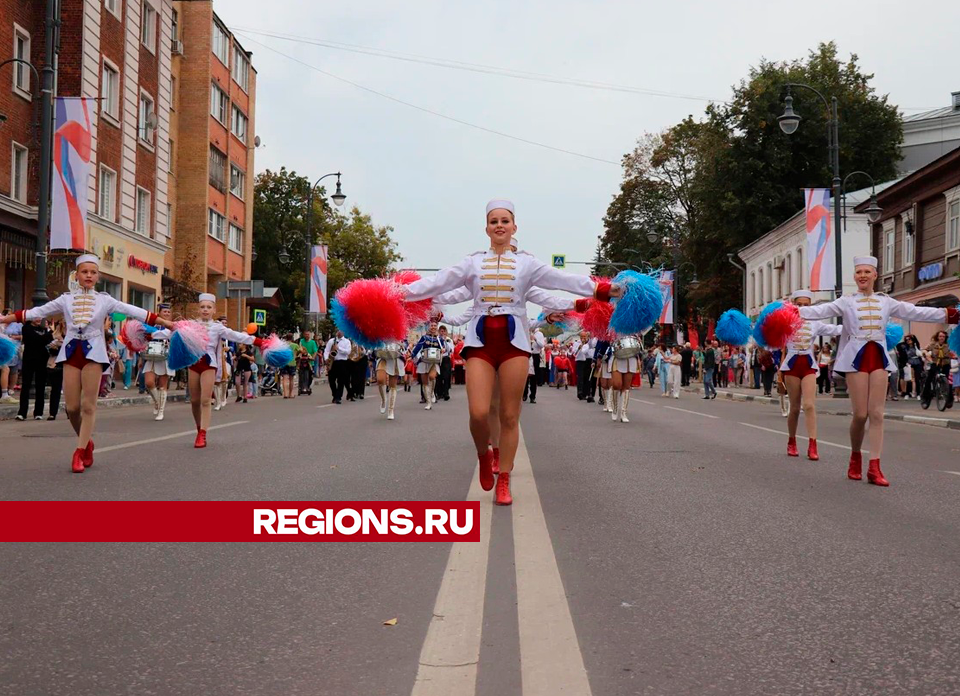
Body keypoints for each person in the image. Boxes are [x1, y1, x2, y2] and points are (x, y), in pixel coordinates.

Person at [399, 199, 617, 505]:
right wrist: (397, 294)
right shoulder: (472, 262)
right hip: (480, 341)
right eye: (493, 221)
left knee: (510, 415)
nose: (499, 225)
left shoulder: (527, 264)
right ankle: (483, 453)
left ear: (514, 227)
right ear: (486, 228)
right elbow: (437, 282)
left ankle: (504, 478)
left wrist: (600, 290)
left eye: (505, 221)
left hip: (514, 344)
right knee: (478, 413)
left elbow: (560, 280)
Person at [1, 255, 172, 472]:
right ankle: (87, 441)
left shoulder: (105, 300)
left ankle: (79, 450)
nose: (89, 275)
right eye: (84, 272)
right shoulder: (65, 299)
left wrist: (165, 322)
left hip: (94, 354)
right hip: (72, 353)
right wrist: (6, 319)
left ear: (98, 276)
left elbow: (134, 310)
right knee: (72, 408)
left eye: (93, 272)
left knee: (88, 405)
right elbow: (37, 312)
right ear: (77, 275)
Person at [798, 255, 958, 486]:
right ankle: (855, 456)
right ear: (855, 276)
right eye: (859, 272)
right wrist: (792, 311)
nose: (862, 275)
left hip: (879, 357)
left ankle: (874, 465)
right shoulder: (846, 301)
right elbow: (820, 311)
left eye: (867, 272)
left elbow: (916, 312)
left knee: (877, 414)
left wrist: (949, 314)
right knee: (860, 414)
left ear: (875, 275)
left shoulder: (886, 301)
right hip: (856, 358)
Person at [182, 293, 266, 448]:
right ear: (198, 309)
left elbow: (238, 336)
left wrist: (261, 342)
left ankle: (203, 434)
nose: (205, 310)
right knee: (194, 400)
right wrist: (150, 334)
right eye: (202, 307)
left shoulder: (217, 328)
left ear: (214, 310)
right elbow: (172, 332)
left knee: (206, 400)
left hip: (209, 364)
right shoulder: (191, 325)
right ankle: (199, 427)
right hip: (193, 363)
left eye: (208, 307)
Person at [779, 290, 843, 460]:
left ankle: (812, 444)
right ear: (793, 304)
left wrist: (855, 324)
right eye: (799, 304)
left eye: (806, 305)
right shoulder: (785, 323)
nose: (803, 308)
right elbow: (771, 339)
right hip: (792, 367)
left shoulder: (815, 323)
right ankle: (791, 441)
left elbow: (835, 329)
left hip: (808, 366)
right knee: (794, 407)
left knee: (809, 405)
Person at [16, 317, 53, 420]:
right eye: (36, 317)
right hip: (29, 359)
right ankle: (22, 412)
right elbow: (35, 340)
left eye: (39, 318)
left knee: (40, 386)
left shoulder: (44, 329)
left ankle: (38, 412)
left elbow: (48, 341)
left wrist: (47, 335)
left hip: (42, 360)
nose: (38, 320)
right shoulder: (26, 328)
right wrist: (48, 335)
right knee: (26, 385)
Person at [142, 303, 175, 420]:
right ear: (159, 313)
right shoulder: (152, 324)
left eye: (168, 312)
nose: (166, 314)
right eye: (164, 311)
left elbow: (166, 335)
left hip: (165, 356)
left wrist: (153, 333)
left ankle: (161, 411)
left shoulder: (173, 326)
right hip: (151, 355)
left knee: (162, 385)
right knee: (149, 382)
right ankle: (157, 402)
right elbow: (144, 334)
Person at [608, 333, 642, 422]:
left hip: (630, 358)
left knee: (626, 387)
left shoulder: (635, 331)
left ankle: (623, 412)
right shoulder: (613, 328)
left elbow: (639, 345)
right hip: (616, 356)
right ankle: (615, 409)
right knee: (617, 385)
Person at [412, 321, 444, 410]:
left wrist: (443, 350)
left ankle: (432, 392)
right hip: (424, 360)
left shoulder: (439, 339)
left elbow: (444, 349)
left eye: (435, 325)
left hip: (434, 361)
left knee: (432, 377)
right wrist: (411, 355)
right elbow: (418, 347)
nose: (433, 327)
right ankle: (429, 402)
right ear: (429, 327)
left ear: (437, 327)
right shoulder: (424, 338)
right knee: (425, 382)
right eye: (431, 326)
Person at [922, 330, 954, 408]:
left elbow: (953, 352)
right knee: (929, 380)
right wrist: (926, 353)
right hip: (935, 363)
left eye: (943, 336)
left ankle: (949, 400)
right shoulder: (933, 344)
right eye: (940, 336)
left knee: (947, 381)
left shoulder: (949, 345)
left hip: (945, 364)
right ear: (937, 337)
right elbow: (924, 350)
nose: (941, 338)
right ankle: (925, 399)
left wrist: (953, 355)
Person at [324, 331, 352, 404]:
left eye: (341, 330)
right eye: (338, 330)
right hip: (333, 362)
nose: (339, 332)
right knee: (331, 380)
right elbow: (326, 351)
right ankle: (334, 394)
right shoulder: (332, 341)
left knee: (341, 381)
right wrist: (326, 358)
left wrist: (338, 348)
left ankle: (338, 397)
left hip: (342, 362)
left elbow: (348, 352)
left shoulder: (347, 341)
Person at [45, 319, 65, 420]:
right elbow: (49, 349)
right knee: (56, 389)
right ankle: (52, 412)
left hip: (69, 365)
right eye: (63, 323)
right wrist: (54, 347)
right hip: (56, 364)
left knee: (70, 390)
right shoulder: (55, 335)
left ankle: (71, 411)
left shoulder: (74, 335)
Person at [298, 330, 318, 395]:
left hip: (309, 362)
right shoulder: (301, 341)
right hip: (302, 361)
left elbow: (315, 351)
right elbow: (299, 349)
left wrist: (313, 358)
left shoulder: (313, 342)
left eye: (308, 334)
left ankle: (308, 386)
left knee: (310, 376)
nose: (307, 335)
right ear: (304, 335)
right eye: (305, 334)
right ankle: (301, 387)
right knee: (301, 375)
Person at [280, 333, 300, 399]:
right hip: (292, 363)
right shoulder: (295, 345)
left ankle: (285, 394)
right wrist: (296, 355)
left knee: (285, 379)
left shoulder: (283, 345)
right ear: (292, 338)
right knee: (291, 379)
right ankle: (290, 394)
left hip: (284, 363)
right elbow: (301, 351)